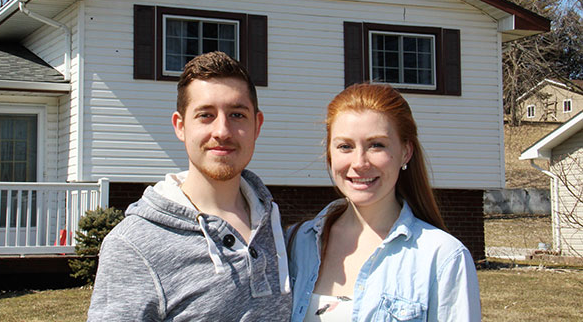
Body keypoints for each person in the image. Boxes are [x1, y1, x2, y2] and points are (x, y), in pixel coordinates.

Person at [87, 51, 292, 321]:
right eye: (206, 115)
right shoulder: (133, 245)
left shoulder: (275, 226)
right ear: (180, 126)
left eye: (237, 115)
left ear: (257, 125)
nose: (222, 131)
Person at [289, 83, 481, 321]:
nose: (359, 162)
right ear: (330, 154)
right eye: (345, 146)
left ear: (405, 152)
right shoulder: (296, 244)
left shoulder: (443, 258)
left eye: (377, 145)